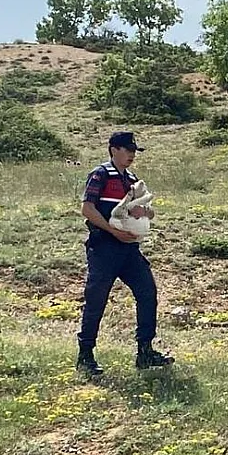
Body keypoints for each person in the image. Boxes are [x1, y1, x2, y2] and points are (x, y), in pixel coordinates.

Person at [75, 131, 174, 375]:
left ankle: (145, 351)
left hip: (129, 248)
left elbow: (148, 211)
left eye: (134, 151)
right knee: (96, 299)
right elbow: (87, 209)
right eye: (127, 150)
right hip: (104, 247)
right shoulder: (100, 174)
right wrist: (112, 230)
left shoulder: (132, 179)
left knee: (147, 292)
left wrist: (146, 213)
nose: (131, 155)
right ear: (113, 149)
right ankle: (85, 355)